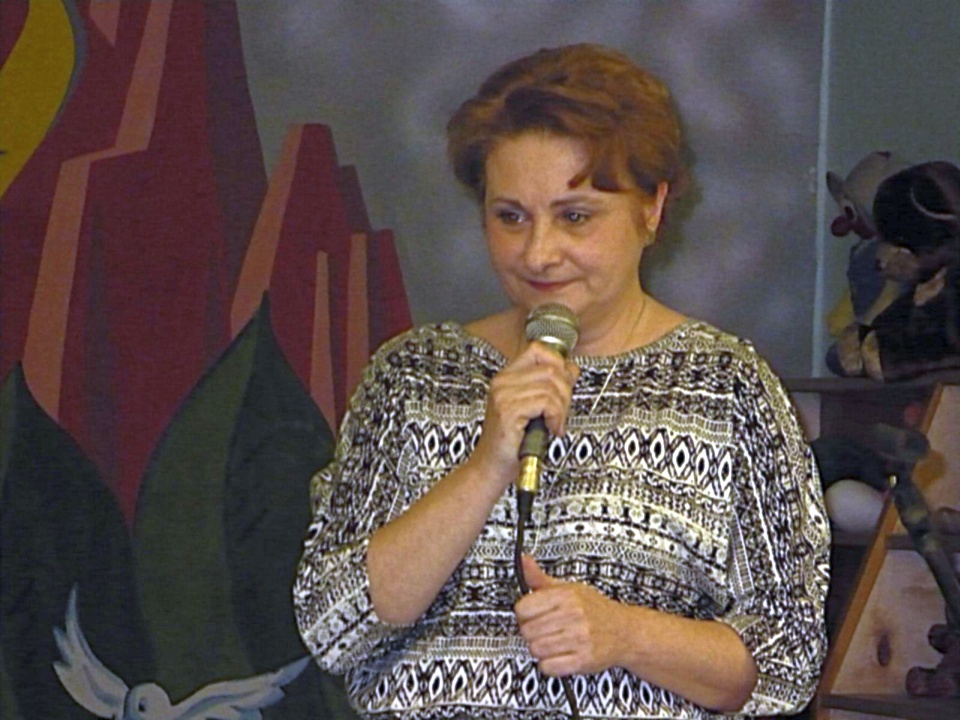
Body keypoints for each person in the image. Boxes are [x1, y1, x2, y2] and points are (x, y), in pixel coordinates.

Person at [294, 43, 830, 720]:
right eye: (510, 216)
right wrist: (487, 464)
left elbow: (787, 662)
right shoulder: (412, 375)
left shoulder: (727, 387)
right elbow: (330, 626)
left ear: (653, 207)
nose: (538, 253)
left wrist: (626, 634)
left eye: (575, 216)